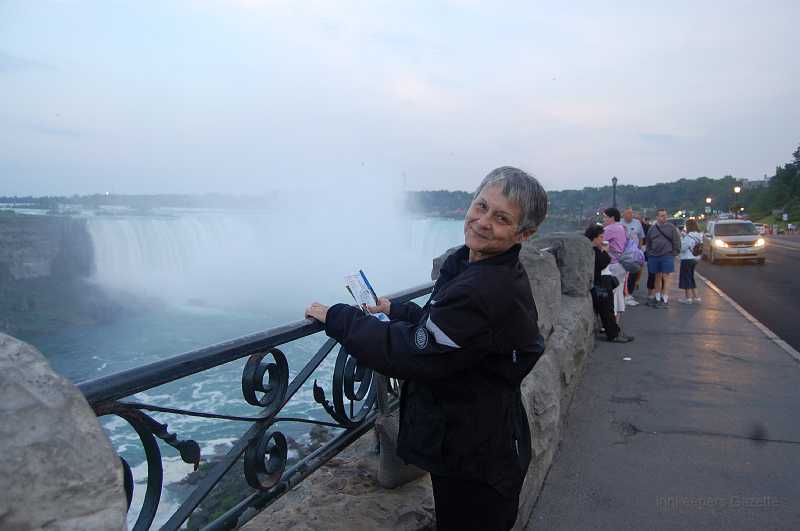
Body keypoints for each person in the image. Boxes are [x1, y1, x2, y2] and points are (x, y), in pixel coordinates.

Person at [305, 166, 547, 531]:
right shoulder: (476, 267)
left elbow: (408, 355)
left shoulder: (485, 288)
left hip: (476, 455)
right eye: (481, 206)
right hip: (479, 435)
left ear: (523, 234)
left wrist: (338, 318)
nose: (482, 222)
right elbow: (451, 332)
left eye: (500, 218)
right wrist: (397, 309)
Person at [585, 224, 634, 343]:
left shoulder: (592, 249)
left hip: (601, 281)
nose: (602, 239)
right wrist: (605, 252)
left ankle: (614, 331)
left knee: (608, 309)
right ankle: (613, 334)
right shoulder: (593, 250)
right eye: (601, 237)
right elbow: (602, 263)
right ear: (594, 238)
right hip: (600, 283)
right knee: (607, 309)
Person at [645, 208, 681, 308]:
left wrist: (674, 253)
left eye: (665, 215)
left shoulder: (671, 228)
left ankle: (664, 299)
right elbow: (648, 242)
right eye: (661, 215)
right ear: (657, 217)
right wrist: (649, 253)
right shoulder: (652, 228)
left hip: (667, 255)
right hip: (654, 256)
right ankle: (657, 298)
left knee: (666, 277)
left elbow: (677, 241)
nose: (664, 217)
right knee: (657, 277)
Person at [601, 207, 628, 318]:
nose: (603, 220)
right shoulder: (621, 227)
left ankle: (612, 321)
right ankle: (617, 320)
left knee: (612, 294)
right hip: (622, 263)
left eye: (605, 217)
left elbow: (598, 242)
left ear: (612, 217)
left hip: (613, 264)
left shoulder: (610, 229)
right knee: (619, 291)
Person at [620, 208, 645, 305]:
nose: (630, 215)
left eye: (631, 213)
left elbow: (641, 237)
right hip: (623, 252)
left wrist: (639, 250)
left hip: (634, 252)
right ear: (623, 215)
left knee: (633, 273)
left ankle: (629, 292)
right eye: (628, 213)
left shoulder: (637, 223)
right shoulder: (620, 223)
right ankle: (624, 294)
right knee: (624, 273)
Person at [678, 219, 703, 304]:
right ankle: (696, 297)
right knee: (691, 278)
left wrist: (682, 238)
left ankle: (688, 298)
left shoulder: (688, 236)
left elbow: (682, 248)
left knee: (686, 279)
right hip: (695, 259)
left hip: (686, 259)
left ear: (688, 226)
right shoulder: (699, 235)